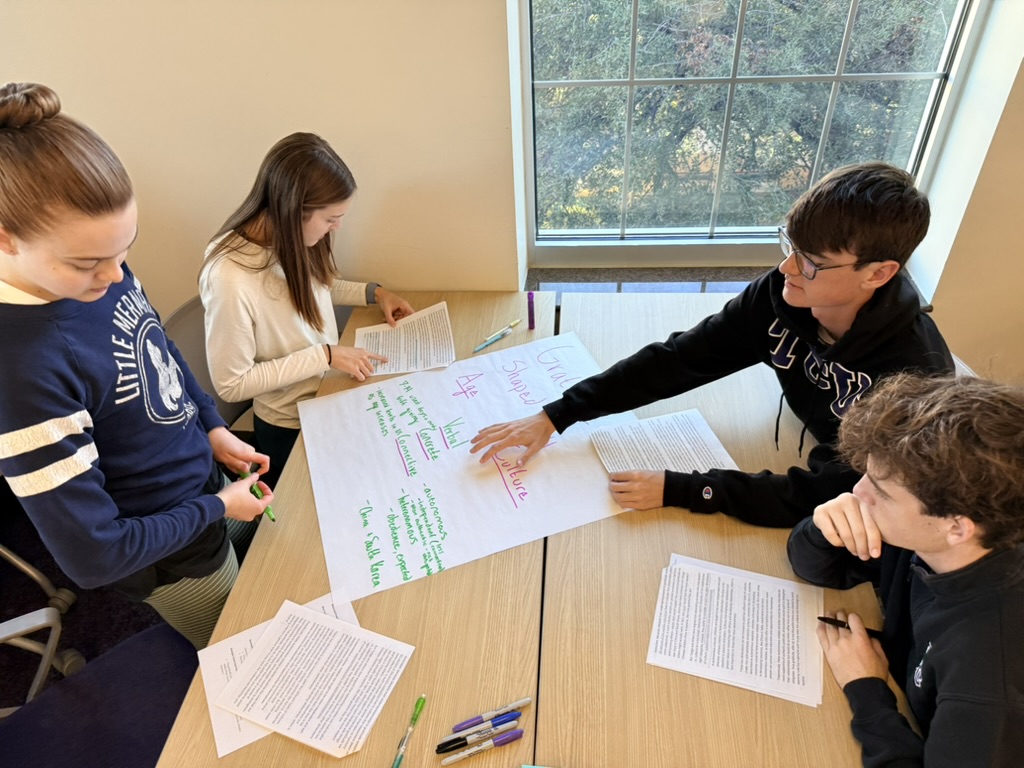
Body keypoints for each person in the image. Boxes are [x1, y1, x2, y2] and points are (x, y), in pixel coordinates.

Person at [471, 162, 953, 526]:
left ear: (878, 273)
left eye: (811, 262)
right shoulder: (781, 295)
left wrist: (689, 490)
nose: (786, 268)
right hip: (799, 442)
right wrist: (558, 414)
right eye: (789, 245)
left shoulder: (913, 380)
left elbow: (831, 494)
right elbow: (682, 359)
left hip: (854, 493)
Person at [0, 82, 273, 649]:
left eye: (124, 251)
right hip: (171, 552)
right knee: (249, 645)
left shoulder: (103, 270)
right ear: (6, 240)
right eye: (89, 263)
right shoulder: (22, 372)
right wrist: (215, 507)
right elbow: (95, 555)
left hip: (204, 485)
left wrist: (212, 427)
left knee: (276, 576)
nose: (116, 276)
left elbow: (155, 347)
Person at [787, 373, 1024, 766]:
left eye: (880, 493)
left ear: (957, 527)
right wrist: (822, 529)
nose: (857, 492)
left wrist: (866, 689)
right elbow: (820, 569)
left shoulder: (989, 676)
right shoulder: (926, 538)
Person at [199, 132, 413, 487]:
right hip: (289, 425)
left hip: (327, 393)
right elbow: (232, 384)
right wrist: (324, 356)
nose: (337, 226)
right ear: (295, 212)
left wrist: (374, 293)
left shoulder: (288, 236)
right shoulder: (230, 277)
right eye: (331, 219)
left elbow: (312, 286)